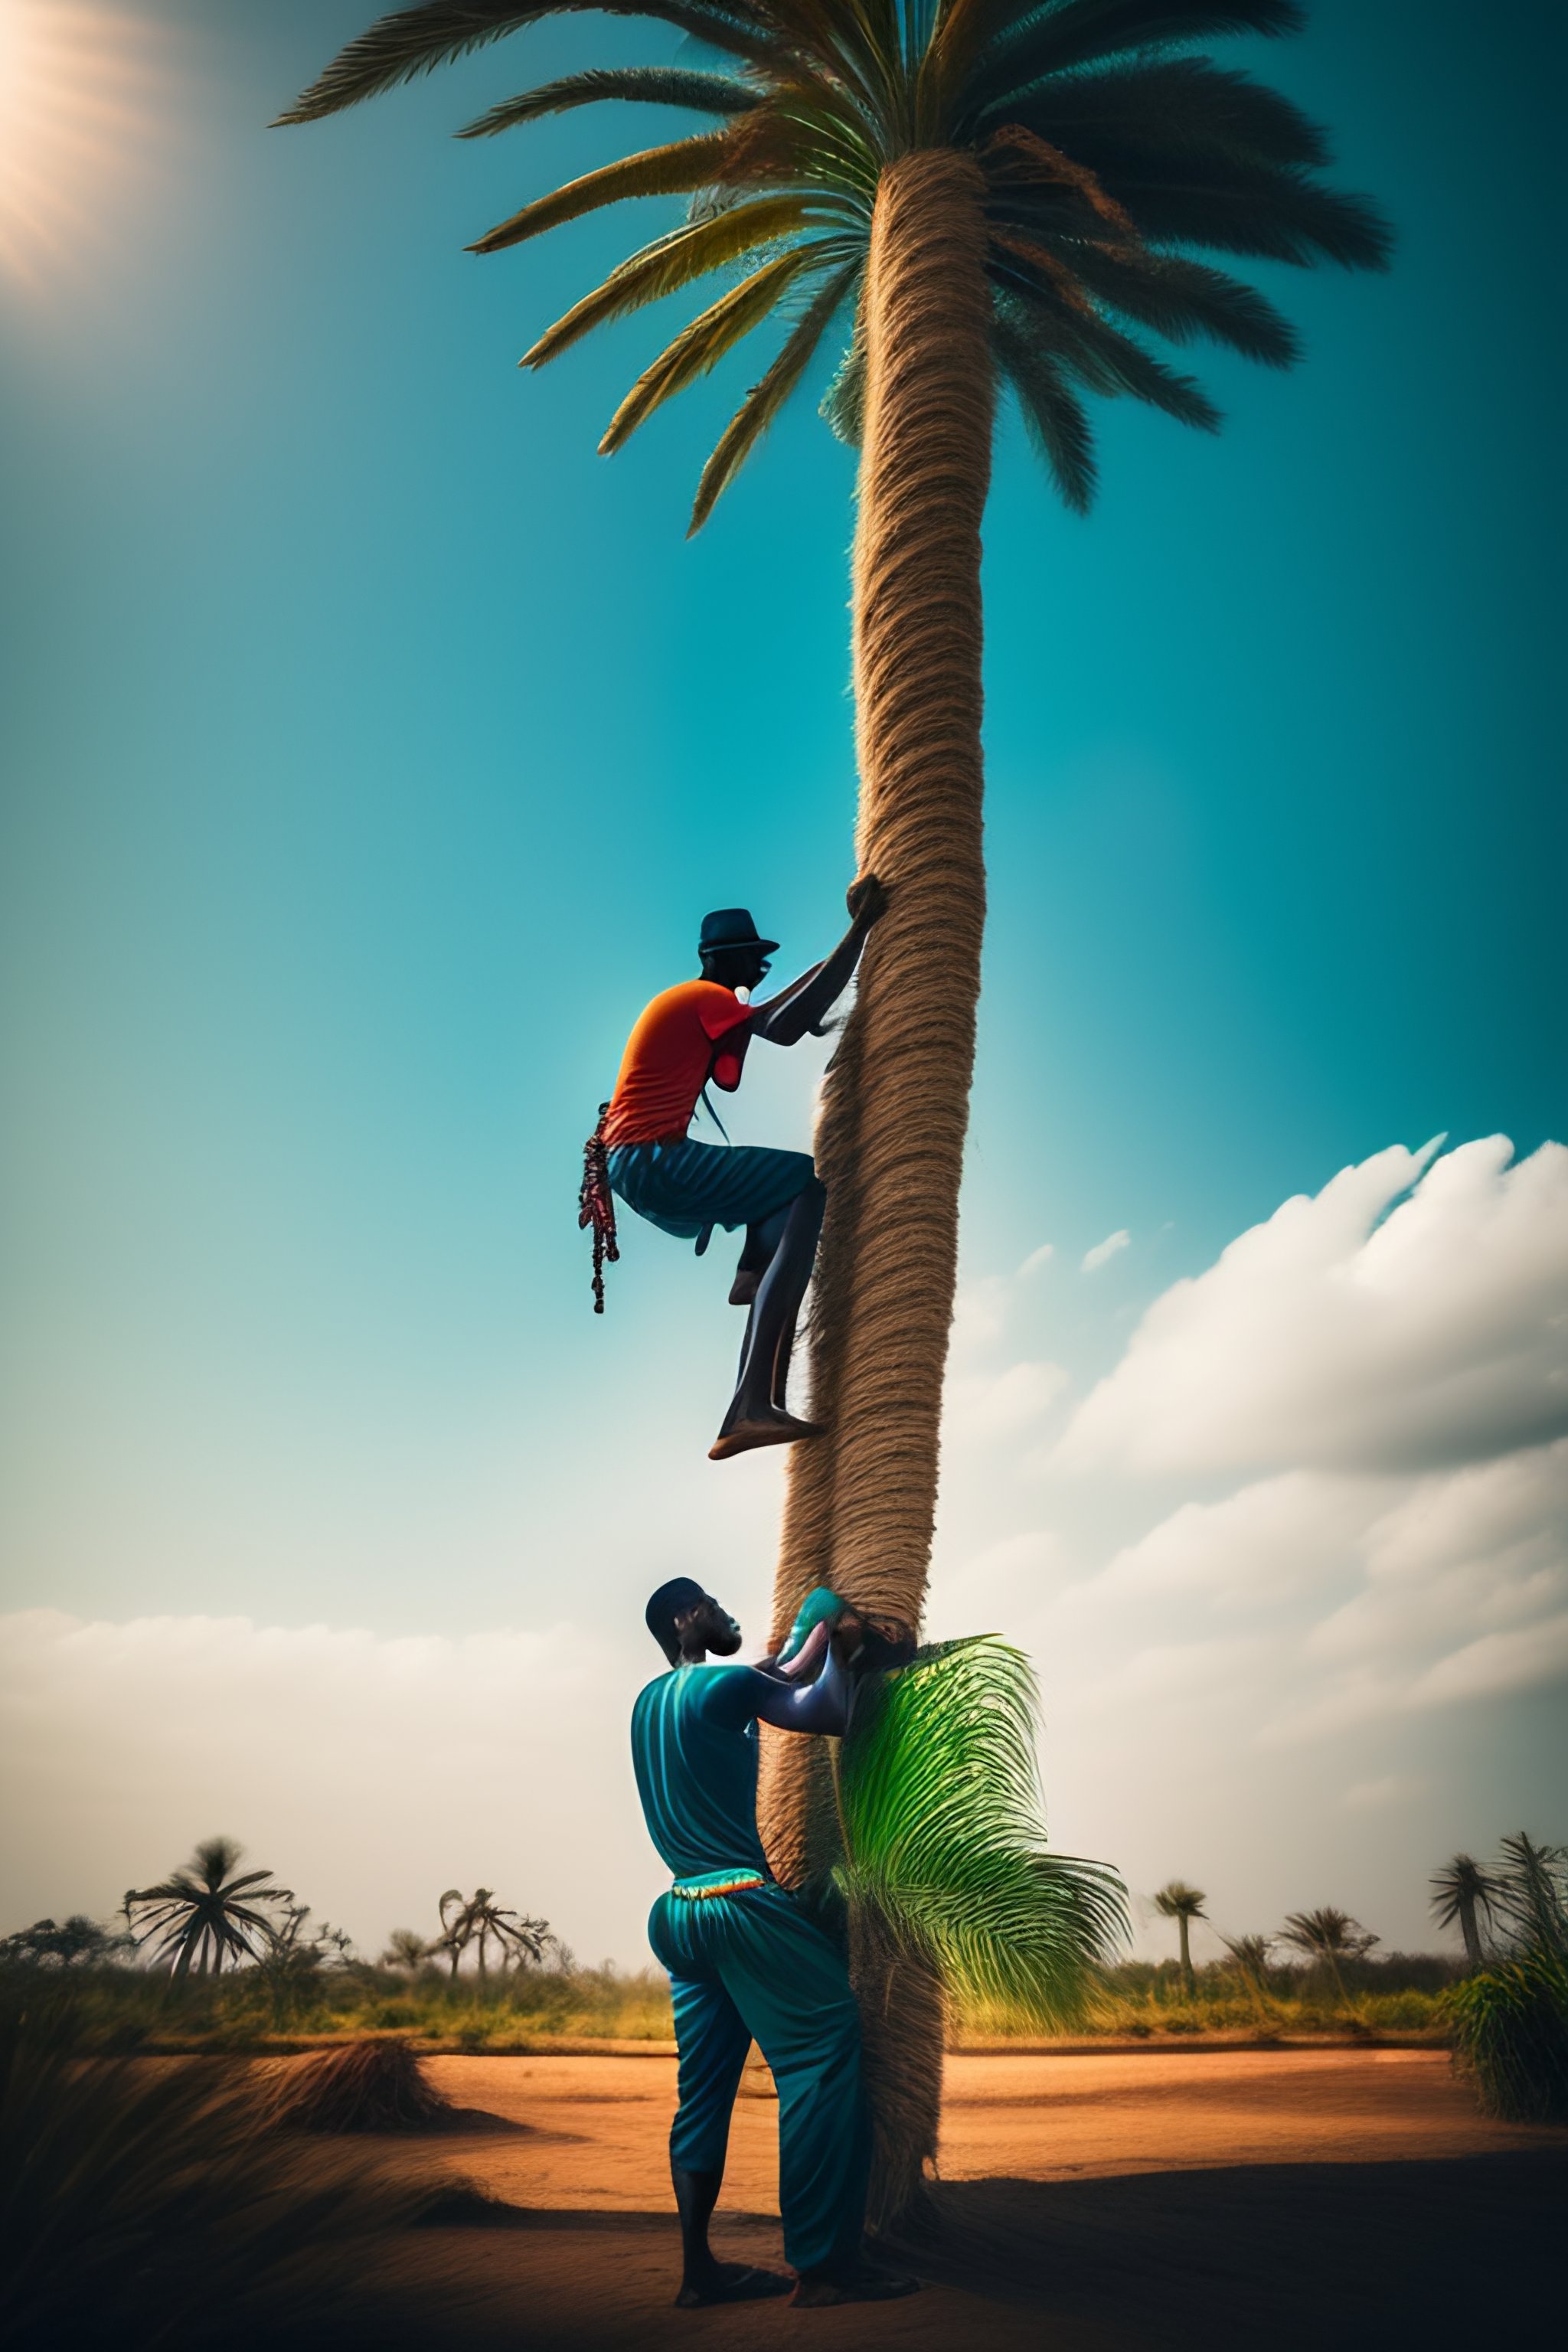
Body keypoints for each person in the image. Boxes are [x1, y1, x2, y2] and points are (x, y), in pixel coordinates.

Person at [632, 1574, 920, 2309]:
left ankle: (699, 2273)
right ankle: (824, 2267)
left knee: (700, 2095)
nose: (728, 1615)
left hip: (678, 1912)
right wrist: (823, 1614)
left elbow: (795, 1690)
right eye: (717, 1606)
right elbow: (803, 1686)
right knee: (823, 2051)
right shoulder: (715, 1686)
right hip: (738, 1904)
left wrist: (824, 1646)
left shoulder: (646, 1706)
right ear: (689, 1617)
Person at [587, 877, 887, 1461]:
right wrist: (862, 929)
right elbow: (784, 1024)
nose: (762, 964)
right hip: (651, 1160)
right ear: (725, 959)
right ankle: (749, 1401)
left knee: (784, 1196)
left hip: (636, 1165)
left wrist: (845, 950)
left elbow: (769, 1022)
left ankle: (757, 1286)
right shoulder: (704, 997)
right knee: (801, 1183)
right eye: (756, 956)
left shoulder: (705, 1005)